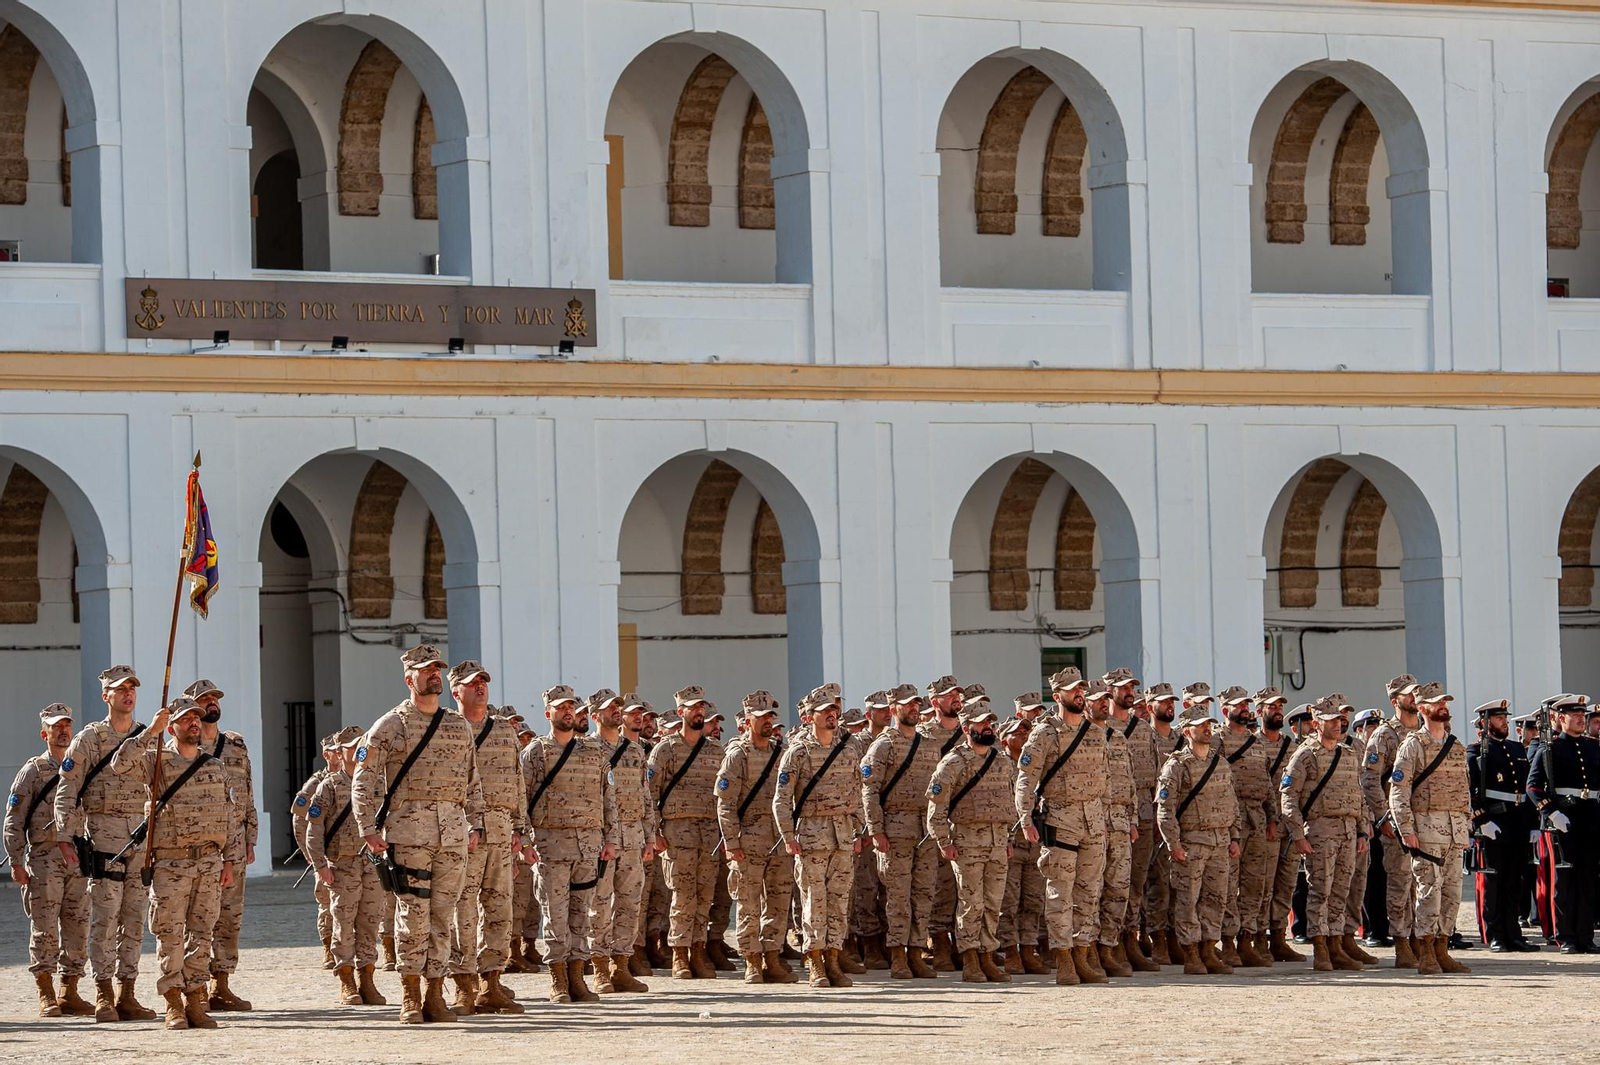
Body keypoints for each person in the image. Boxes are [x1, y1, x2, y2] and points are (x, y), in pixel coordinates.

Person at [352, 644, 485, 1024]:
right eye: (426, 670)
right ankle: (409, 995)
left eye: (437, 670)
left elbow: (472, 779)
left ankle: (434, 993)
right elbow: (364, 779)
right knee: (413, 914)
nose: (433, 675)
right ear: (409, 678)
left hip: (453, 836)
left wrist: (475, 823)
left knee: (444, 916)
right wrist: (367, 829)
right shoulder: (390, 725)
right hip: (409, 834)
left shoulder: (457, 725)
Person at [108, 697, 238, 1030]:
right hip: (171, 865)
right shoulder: (156, 763)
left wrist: (228, 861)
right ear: (172, 727)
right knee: (170, 935)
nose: (194, 723)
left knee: (202, 934)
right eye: (185, 719)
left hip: (208, 862)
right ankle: (173, 1003)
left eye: (196, 718)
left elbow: (228, 816)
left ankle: (196, 1001)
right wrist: (150, 731)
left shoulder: (214, 766)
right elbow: (119, 764)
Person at [52, 665, 157, 1023]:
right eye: (119, 689)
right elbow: (67, 790)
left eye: (132, 688)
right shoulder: (89, 739)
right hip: (103, 836)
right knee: (105, 919)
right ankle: (104, 993)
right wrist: (66, 837)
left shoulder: (148, 736)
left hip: (141, 838)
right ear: (105, 696)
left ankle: (128, 992)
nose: (128, 694)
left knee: (134, 919)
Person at [521, 684, 619, 1003]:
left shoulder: (593, 752)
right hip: (551, 848)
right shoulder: (535, 753)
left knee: (581, 913)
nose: (567, 712)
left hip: (588, 847)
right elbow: (520, 800)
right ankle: (558, 980)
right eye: (561, 708)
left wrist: (611, 838)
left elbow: (608, 798)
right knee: (555, 914)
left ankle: (577, 977)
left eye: (572, 708)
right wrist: (524, 839)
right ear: (549, 713)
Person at [1015, 666, 1108, 985]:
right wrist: (1026, 817)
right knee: (1060, 894)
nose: (1079, 694)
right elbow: (1026, 779)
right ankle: (1064, 959)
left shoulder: (1096, 732)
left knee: (1089, 894)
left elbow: (1103, 780)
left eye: (1081, 688)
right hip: (1060, 823)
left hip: (1094, 826)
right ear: (1057, 696)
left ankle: (1083, 955)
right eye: (1071, 690)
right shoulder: (1044, 733)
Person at [774, 684, 866, 988]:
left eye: (834, 710)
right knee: (814, 900)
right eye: (825, 711)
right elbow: (781, 799)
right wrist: (788, 835)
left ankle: (834, 958)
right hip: (811, 835)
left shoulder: (848, 749)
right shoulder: (798, 752)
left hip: (842, 836)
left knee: (839, 901)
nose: (832, 715)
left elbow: (857, 792)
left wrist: (860, 828)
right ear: (809, 717)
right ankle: (814, 960)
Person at [447, 663, 527, 1014]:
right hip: (463, 832)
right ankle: (464, 984)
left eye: (483, 682)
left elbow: (518, 780)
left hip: (501, 829)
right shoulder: (446, 729)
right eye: (471, 684)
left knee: (499, 908)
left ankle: (491, 981)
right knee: (462, 911)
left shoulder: (505, 731)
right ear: (456, 691)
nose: (480, 688)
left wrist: (520, 829)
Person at [6, 704, 94, 1017]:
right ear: (45, 734)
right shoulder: (33, 771)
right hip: (44, 858)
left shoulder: (79, 768)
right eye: (56, 727)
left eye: (67, 725)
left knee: (78, 924)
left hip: (77, 859)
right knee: (44, 927)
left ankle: (69, 991)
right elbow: (13, 820)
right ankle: (46, 993)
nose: (63, 731)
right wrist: (16, 860)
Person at [860, 682, 944, 979]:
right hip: (895, 829)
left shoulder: (930, 742)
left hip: (925, 831)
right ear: (894, 709)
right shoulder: (883, 745)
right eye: (907, 704)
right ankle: (897, 953)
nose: (913, 708)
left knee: (923, 893)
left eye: (916, 704)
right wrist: (876, 830)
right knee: (897, 895)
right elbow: (869, 791)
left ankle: (916, 951)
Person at [1389, 682, 1473, 975]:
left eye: (1445, 702)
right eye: (1437, 703)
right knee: (1428, 892)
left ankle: (1443, 948)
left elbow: (1464, 789)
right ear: (1423, 708)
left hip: (1454, 831)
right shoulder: (1413, 745)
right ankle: (1425, 950)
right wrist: (1406, 829)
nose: (1443, 707)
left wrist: (1466, 825)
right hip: (1425, 831)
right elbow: (1398, 790)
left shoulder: (1456, 745)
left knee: (1452, 893)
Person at [1279, 698, 1369, 972]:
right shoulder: (1305, 755)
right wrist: (1297, 834)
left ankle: (1336, 944)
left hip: (1348, 832)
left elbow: (1359, 794)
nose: (1338, 724)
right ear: (1316, 724)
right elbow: (1288, 795)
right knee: (1321, 890)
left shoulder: (1349, 754)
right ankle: (1319, 947)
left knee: (1342, 891)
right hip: (1320, 831)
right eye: (1330, 720)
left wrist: (1363, 830)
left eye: (1339, 719)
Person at [184, 679, 257, 1013]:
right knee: (198, 918)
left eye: (214, 698)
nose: (211, 703)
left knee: (230, 917)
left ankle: (222, 984)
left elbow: (249, 793)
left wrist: (251, 838)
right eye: (204, 699)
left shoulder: (236, 744)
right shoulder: (184, 745)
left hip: (236, 842)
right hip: (199, 842)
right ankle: (194, 985)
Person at [714, 690, 796, 983]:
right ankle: (751, 959)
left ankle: (773, 958)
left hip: (777, 838)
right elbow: (725, 803)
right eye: (761, 717)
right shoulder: (738, 756)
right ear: (748, 721)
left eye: (770, 717)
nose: (767, 722)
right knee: (748, 902)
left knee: (778, 899)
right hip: (748, 837)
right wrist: (732, 842)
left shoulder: (781, 753)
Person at [1155, 703, 1242, 975]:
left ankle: (1208, 948)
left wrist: (1234, 837)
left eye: (1210, 724)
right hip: (1191, 843)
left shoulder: (1221, 763)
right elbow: (1165, 810)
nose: (1208, 728)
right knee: (1188, 899)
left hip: (1219, 841)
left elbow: (1232, 803)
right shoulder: (1176, 766)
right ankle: (1191, 952)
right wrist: (1174, 844)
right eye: (1202, 724)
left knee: (1217, 898)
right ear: (1187, 731)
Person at [647, 686, 725, 979]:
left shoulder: (716, 750)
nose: (699, 713)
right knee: (682, 896)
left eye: (701, 708)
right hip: (677, 834)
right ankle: (679, 953)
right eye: (693, 708)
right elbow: (649, 794)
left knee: (705, 895)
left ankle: (698, 950)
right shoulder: (665, 749)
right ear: (681, 712)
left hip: (708, 834)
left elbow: (725, 796)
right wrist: (655, 831)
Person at [306, 726, 386, 1008]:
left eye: (360, 744)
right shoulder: (329, 786)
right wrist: (320, 865)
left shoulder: (376, 782)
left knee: (370, 922)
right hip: (342, 865)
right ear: (340, 752)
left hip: (371, 864)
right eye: (350, 746)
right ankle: (346, 979)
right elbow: (313, 829)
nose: (356, 750)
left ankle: (367, 978)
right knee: (344, 922)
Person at [589, 691, 656, 992]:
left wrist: (650, 837)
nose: (616, 712)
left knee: (630, 904)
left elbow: (645, 797)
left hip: (633, 837)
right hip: (603, 837)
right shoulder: (586, 750)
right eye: (609, 708)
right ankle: (600, 966)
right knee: (600, 904)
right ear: (595, 716)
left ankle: (622, 965)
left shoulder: (635, 751)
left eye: (618, 707)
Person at [1526, 693, 1600, 953]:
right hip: (1564, 821)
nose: (1581, 719)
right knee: (1564, 882)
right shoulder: (1551, 749)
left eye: (1583, 715)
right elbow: (1533, 787)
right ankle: (1566, 936)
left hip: (1590, 819)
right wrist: (1552, 813)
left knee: (1587, 880)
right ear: (1560, 718)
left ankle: (1585, 936)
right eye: (1575, 715)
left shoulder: (1593, 747)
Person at [1466, 699, 1538, 952]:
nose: (1504, 722)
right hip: (1494, 823)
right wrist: (1481, 820)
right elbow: (1469, 791)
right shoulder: (1476, 751)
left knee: (1514, 881)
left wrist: (1533, 824)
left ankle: (1513, 933)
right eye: (1498, 719)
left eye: (1505, 718)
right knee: (1494, 882)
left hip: (1517, 823)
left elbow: (1525, 790)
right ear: (1484, 723)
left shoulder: (1517, 750)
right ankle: (1495, 933)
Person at [1212, 686, 1275, 968]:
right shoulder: (1217, 741)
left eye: (1247, 705)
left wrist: (1272, 817)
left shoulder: (1256, 742)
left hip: (1257, 818)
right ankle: (1226, 941)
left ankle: (1247, 939)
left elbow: (1268, 783)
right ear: (1226, 711)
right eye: (1239, 706)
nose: (1246, 709)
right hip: (1231, 819)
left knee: (1254, 882)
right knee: (1229, 883)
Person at [1366, 674, 1423, 967]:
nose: (1415, 697)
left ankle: (1420, 939)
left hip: (1425, 820)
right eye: (1408, 694)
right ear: (1395, 701)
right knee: (1400, 883)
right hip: (1397, 820)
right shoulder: (1384, 735)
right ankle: (1402, 942)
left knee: (1423, 884)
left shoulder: (1427, 731)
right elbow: (1370, 779)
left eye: (1416, 692)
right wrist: (1382, 817)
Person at [1090, 679, 1137, 977]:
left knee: (1118, 889)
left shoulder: (1117, 738)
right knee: (1089, 891)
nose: (1103, 704)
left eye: (1106, 699)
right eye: (1097, 700)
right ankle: (1088, 949)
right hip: (1090, 823)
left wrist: (1132, 820)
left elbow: (1128, 781)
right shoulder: (1073, 737)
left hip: (1119, 823)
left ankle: (1108, 946)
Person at [997, 710, 1048, 974]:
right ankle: (1010, 951)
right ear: (1004, 740)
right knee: (1009, 900)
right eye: (1017, 733)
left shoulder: (1034, 765)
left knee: (1033, 899)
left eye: (1026, 732)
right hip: (1011, 841)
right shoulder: (998, 765)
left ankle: (1029, 949)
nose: (1024, 736)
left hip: (1035, 841)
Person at [1142, 682, 1183, 964]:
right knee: (1155, 884)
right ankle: (1155, 939)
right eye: (1163, 702)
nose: (1170, 706)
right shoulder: (1143, 737)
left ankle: (1174, 937)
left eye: (1172, 701)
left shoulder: (1182, 740)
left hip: (1181, 819)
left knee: (1178, 883)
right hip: (1150, 818)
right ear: (1150, 708)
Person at [296, 735, 342, 971]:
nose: (341, 754)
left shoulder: (356, 778)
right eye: (336, 750)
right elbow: (300, 821)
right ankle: (328, 947)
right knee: (327, 904)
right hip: (324, 855)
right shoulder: (316, 784)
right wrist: (312, 855)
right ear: (327, 755)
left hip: (351, 854)